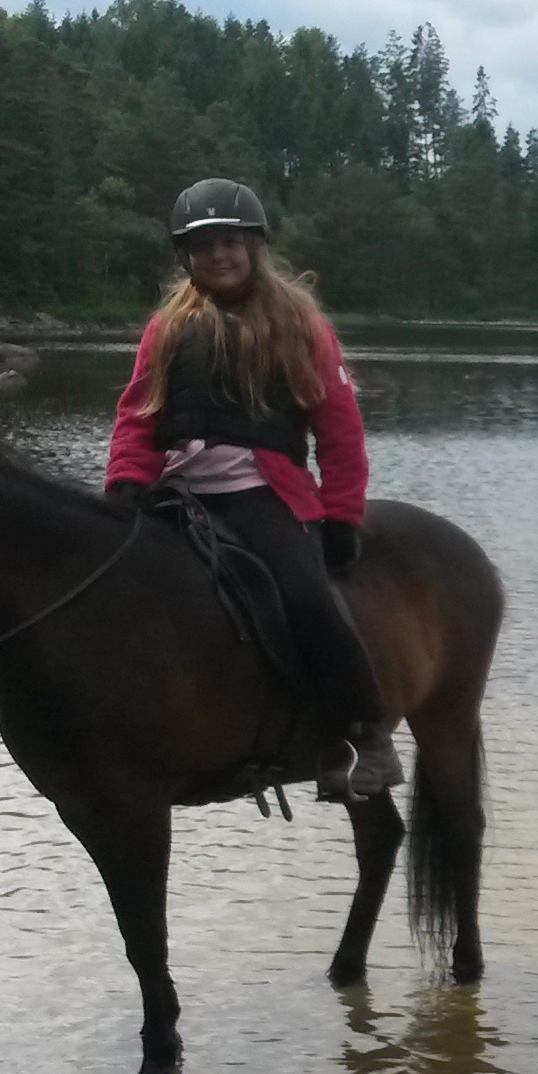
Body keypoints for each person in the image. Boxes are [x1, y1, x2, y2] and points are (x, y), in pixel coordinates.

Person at [104, 178, 400, 800]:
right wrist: (126, 484)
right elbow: (137, 417)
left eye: (230, 243)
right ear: (186, 256)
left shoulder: (301, 325)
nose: (218, 256)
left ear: (254, 246)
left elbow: (340, 432)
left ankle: (367, 731)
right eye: (203, 246)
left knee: (306, 597)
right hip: (179, 494)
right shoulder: (166, 329)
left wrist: (341, 516)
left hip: (260, 494)